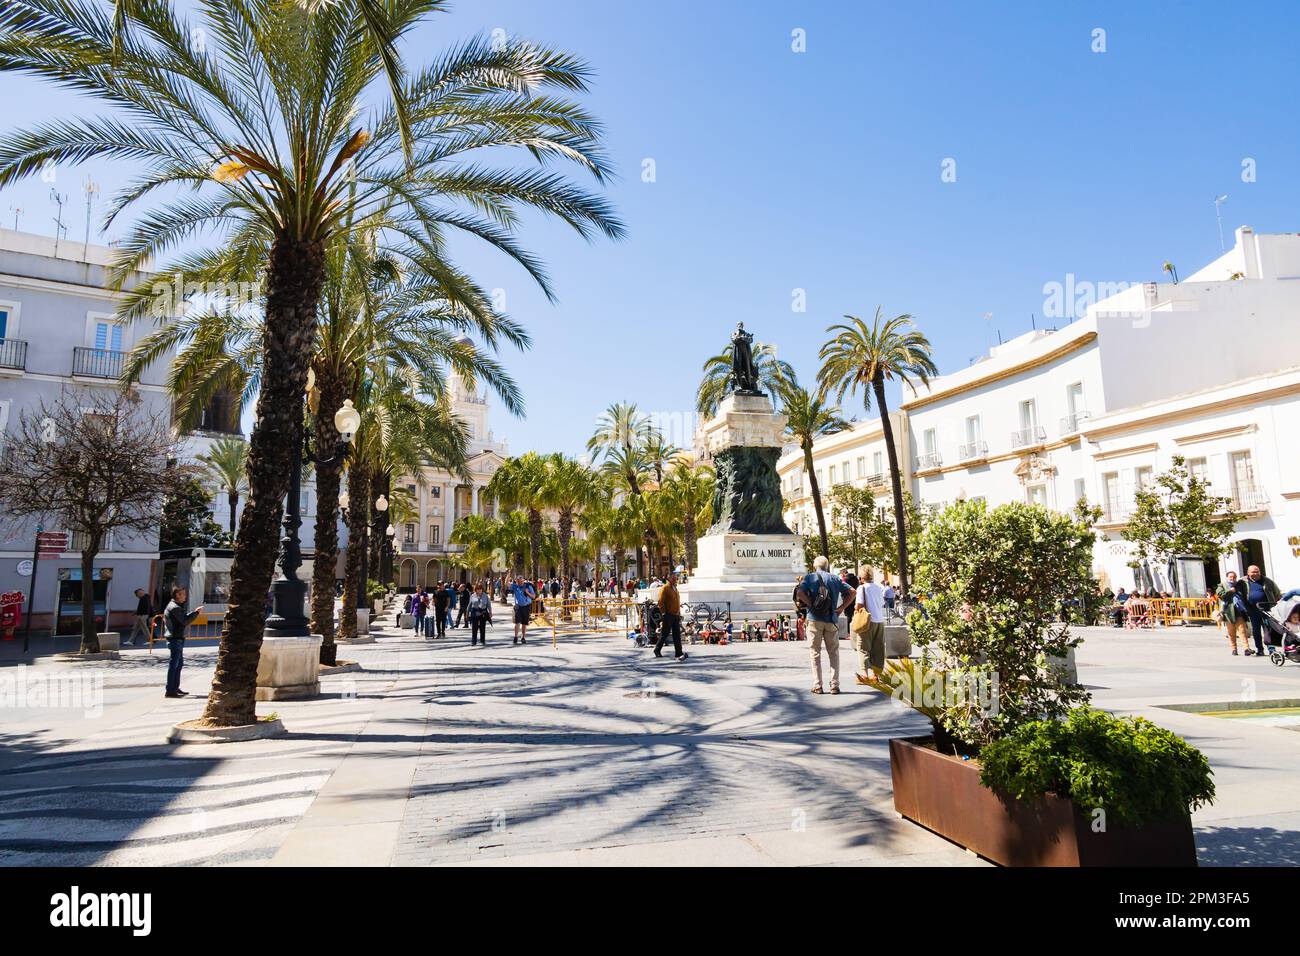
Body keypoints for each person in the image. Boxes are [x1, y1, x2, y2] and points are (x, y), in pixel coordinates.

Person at [796, 556, 853, 694]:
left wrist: (810, 604)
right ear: (827, 566)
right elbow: (852, 591)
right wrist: (841, 608)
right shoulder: (834, 578)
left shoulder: (809, 578)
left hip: (814, 619)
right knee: (833, 653)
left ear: (815, 566)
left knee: (815, 653)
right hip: (831, 619)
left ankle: (818, 685)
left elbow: (799, 592)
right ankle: (834, 685)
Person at [163, 585, 202, 698]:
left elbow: (183, 619)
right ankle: (170, 689)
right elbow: (184, 621)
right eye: (183, 594)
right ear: (177, 595)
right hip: (175, 638)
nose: (185, 596)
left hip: (177, 638)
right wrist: (196, 613)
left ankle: (174, 687)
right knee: (174, 664)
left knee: (178, 664)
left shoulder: (175, 606)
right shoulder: (174, 607)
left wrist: (194, 613)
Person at [852, 566, 887, 684]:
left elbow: (859, 605)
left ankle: (864, 674)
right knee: (878, 648)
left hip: (867, 621)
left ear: (861, 577)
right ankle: (876, 675)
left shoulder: (861, 588)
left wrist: (855, 609)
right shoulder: (878, 587)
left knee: (863, 648)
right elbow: (881, 603)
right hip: (879, 621)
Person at [1243, 565, 1281, 657]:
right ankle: (1259, 649)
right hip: (1252, 611)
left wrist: (1272, 605)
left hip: (1266, 610)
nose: (1256, 573)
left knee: (1268, 630)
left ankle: (1271, 649)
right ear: (1248, 573)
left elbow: (1277, 593)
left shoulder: (1267, 581)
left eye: (1257, 571)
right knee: (1256, 631)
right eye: (1253, 572)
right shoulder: (1243, 582)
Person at [654, 570, 687, 661]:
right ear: (668, 578)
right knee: (665, 633)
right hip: (668, 614)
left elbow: (677, 602)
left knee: (677, 634)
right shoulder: (665, 588)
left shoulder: (675, 588)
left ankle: (679, 652)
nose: (675, 579)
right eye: (673, 578)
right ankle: (657, 649)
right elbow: (661, 602)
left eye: (675, 578)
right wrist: (664, 613)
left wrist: (679, 613)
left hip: (675, 615)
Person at [1216, 571, 1249, 656]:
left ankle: (1246, 649)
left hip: (1239, 611)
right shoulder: (1222, 585)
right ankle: (1234, 649)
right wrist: (1229, 591)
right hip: (1228, 612)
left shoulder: (1239, 585)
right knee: (1231, 632)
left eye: (1234, 577)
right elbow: (1220, 595)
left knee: (1242, 631)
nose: (1232, 578)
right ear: (1227, 577)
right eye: (1231, 577)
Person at [510, 576, 536, 645]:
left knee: (524, 623)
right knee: (517, 622)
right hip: (518, 607)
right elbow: (506, 584)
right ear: (516, 581)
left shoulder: (528, 587)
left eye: (521, 581)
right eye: (518, 581)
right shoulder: (515, 587)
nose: (519, 583)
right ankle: (515, 637)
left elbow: (533, 596)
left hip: (526, 606)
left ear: (523, 581)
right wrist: (508, 574)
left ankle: (523, 637)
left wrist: (527, 593)